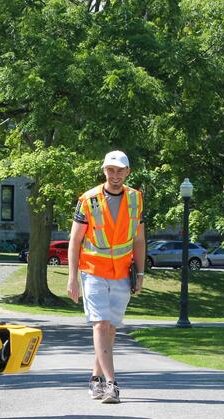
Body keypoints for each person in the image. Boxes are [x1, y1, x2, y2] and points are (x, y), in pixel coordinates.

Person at [66, 150, 145, 404]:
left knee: (110, 328)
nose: (115, 175)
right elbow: (75, 241)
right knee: (100, 324)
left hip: (122, 272)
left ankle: (95, 378)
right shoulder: (88, 199)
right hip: (93, 271)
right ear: (104, 171)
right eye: (111, 170)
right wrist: (72, 278)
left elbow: (139, 240)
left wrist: (141, 273)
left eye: (120, 170)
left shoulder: (135, 199)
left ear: (127, 172)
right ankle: (112, 384)